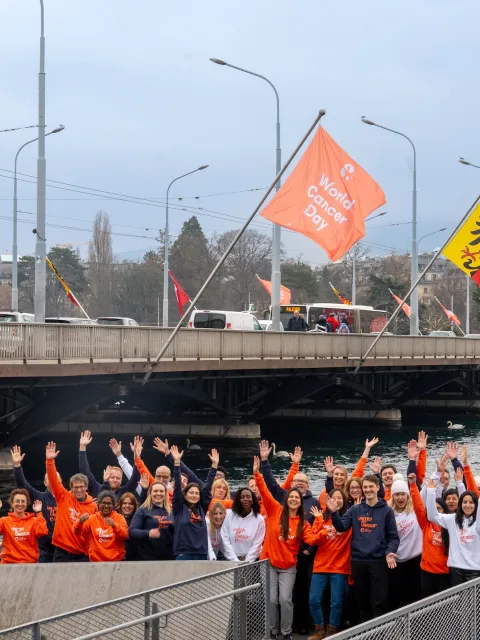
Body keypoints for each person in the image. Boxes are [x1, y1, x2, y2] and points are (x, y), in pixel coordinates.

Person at [259, 441, 315, 636]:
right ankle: (273, 631)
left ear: (301, 501)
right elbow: (267, 490)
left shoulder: (303, 522)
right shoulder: (276, 511)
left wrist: (326, 527)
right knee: (272, 600)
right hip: (270, 563)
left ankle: (286, 631)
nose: (293, 499)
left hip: (289, 566)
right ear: (287, 497)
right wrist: (260, 469)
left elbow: (313, 538)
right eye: (290, 496)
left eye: (296, 498)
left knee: (285, 599)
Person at [328, 474, 400, 622]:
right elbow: (341, 527)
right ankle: (365, 632)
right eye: (365, 487)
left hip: (378, 561)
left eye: (370, 487)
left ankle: (380, 631)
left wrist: (390, 552)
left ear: (377, 488)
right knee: (362, 599)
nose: (367, 490)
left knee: (379, 599)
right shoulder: (355, 509)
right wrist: (334, 513)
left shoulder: (387, 511)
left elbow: (393, 538)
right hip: (359, 561)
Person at [426, 446, 480, 585]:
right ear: (460, 504)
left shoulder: (478, 522)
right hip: (456, 568)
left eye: (471, 503)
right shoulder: (453, 520)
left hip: (475, 570)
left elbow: (473, 494)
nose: (467, 505)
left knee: (473, 604)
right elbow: (432, 516)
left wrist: (463, 467)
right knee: (458, 603)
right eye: (464, 503)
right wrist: (431, 492)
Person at [307, 492, 351, 640]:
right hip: (320, 566)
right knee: (313, 599)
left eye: (339, 498)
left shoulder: (348, 519)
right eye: (333, 498)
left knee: (336, 602)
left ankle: (332, 630)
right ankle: (319, 629)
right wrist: (322, 525)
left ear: (344, 501)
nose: (336, 500)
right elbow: (312, 539)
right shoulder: (322, 518)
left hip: (339, 566)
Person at [45, 441, 98, 562]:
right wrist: (50, 461)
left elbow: (91, 532)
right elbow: (53, 480)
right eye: (75, 487)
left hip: (82, 554)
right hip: (62, 552)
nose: (78, 489)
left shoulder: (93, 506)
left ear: (86, 488)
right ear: (71, 487)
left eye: (81, 487)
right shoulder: (63, 497)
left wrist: (89, 552)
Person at [11, 444, 58, 563]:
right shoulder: (40, 497)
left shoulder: (67, 498)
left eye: (56, 478)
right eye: (50, 479)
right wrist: (17, 466)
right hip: (44, 549)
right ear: (44, 483)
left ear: (61, 482)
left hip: (63, 548)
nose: (53, 481)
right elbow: (23, 485)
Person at [407, 474, 450, 597]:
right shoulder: (426, 524)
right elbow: (419, 506)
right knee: (428, 607)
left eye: (439, 509)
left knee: (445, 605)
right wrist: (413, 485)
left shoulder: (450, 524)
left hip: (445, 573)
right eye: (434, 509)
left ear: (444, 511)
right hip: (427, 572)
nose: (435, 511)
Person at [171, 445, 217, 560]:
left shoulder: (201, 508)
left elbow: (207, 490)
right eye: (191, 493)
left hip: (201, 553)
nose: (194, 495)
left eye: (196, 493)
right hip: (183, 553)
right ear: (185, 495)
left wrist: (214, 466)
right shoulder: (179, 508)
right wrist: (177, 464)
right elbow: (177, 487)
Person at [387, 473, 422, 610]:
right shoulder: (388, 513)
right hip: (396, 560)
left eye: (403, 494)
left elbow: (429, 492)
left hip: (415, 559)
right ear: (392, 496)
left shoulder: (415, 511)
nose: (400, 498)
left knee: (415, 595)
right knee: (398, 596)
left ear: (407, 495)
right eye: (397, 494)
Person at [78, 430, 140, 499]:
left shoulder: (125, 492)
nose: (115, 480)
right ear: (105, 475)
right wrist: (82, 447)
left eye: (118, 478)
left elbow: (135, 478)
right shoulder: (97, 487)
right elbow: (85, 472)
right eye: (112, 477)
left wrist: (137, 457)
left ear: (121, 480)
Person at [320, 438, 379, 509]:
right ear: (332, 476)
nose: (339, 477)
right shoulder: (325, 493)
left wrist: (367, 448)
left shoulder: (350, 487)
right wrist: (329, 474)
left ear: (346, 477)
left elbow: (359, 468)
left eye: (342, 475)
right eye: (336, 474)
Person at [73, 490, 129, 562]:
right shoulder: (92, 518)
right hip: (96, 561)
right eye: (104, 503)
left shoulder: (119, 518)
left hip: (116, 561)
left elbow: (125, 535)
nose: (106, 506)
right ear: (98, 504)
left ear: (113, 505)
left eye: (109, 503)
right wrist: (79, 522)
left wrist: (114, 525)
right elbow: (77, 532)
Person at [129, 481, 175, 560]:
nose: (158, 493)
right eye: (155, 491)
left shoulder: (171, 511)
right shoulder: (142, 510)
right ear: (150, 493)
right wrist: (148, 533)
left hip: (170, 556)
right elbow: (132, 531)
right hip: (148, 556)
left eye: (161, 491)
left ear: (165, 493)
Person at [0, 490, 47, 564]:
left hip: (29, 564)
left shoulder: (33, 520)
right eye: (17, 501)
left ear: (26, 503)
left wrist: (38, 513)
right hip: (8, 564)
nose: (20, 504)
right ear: (12, 503)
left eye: (23, 501)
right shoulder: (4, 521)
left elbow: (42, 532)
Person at [221, 487, 265, 562]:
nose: (245, 499)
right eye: (242, 497)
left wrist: (246, 561)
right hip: (231, 561)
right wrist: (234, 560)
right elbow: (225, 539)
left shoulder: (259, 519)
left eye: (248, 497)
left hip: (252, 562)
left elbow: (257, 544)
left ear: (253, 500)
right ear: (238, 500)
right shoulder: (229, 515)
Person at [117, 492, 140, 560]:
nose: (127, 506)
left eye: (130, 504)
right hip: (118, 558)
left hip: (135, 558)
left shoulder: (138, 520)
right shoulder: (115, 518)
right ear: (120, 505)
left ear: (134, 506)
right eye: (124, 503)